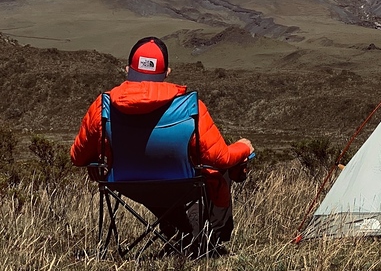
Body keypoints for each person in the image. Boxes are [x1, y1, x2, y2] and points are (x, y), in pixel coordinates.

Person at [71, 36, 254, 253]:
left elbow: (78, 157)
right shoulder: (190, 106)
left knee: (158, 176)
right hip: (183, 184)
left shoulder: (103, 107)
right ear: (167, 73)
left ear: (126, 69)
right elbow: (220, 157)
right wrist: (244, 147)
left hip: (127, 185)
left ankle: (184, 235)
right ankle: (211, 235)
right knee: (218, 168)